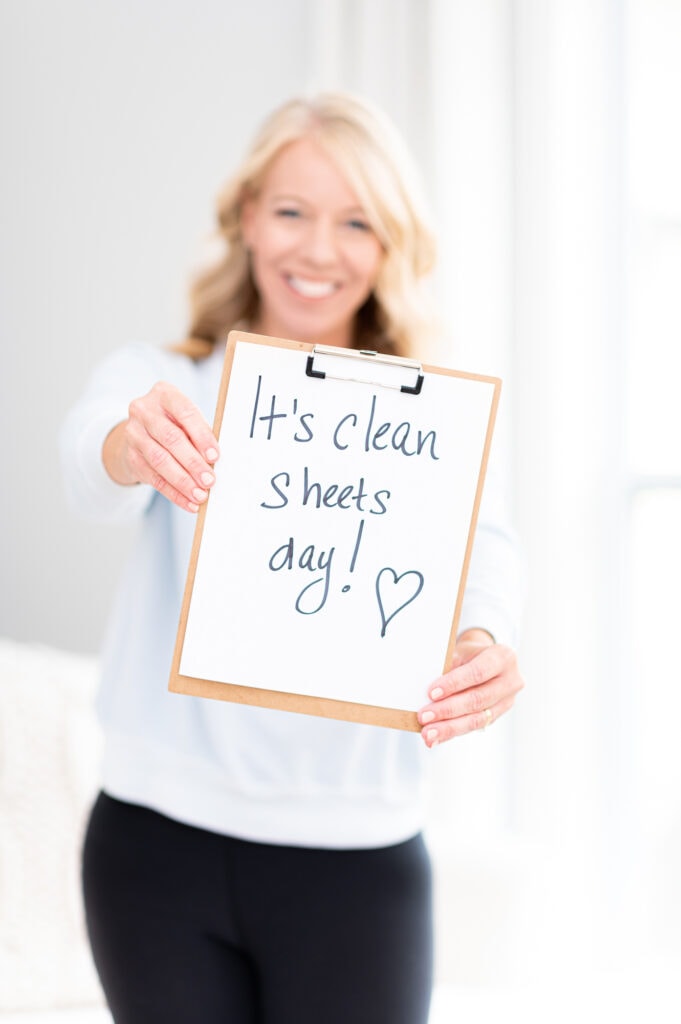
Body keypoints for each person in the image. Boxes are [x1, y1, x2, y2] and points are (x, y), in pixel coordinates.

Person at [60, 92, 524, 1024]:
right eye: (290, 211)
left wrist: (486, 638)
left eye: (356, 221)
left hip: (357, 856)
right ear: (244, 219)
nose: (318, 250)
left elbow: (486, 552)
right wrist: (131, 443)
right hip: (155, 848)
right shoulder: (169, 384)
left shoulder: (431, 417)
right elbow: (89, 461)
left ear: (392, 245)